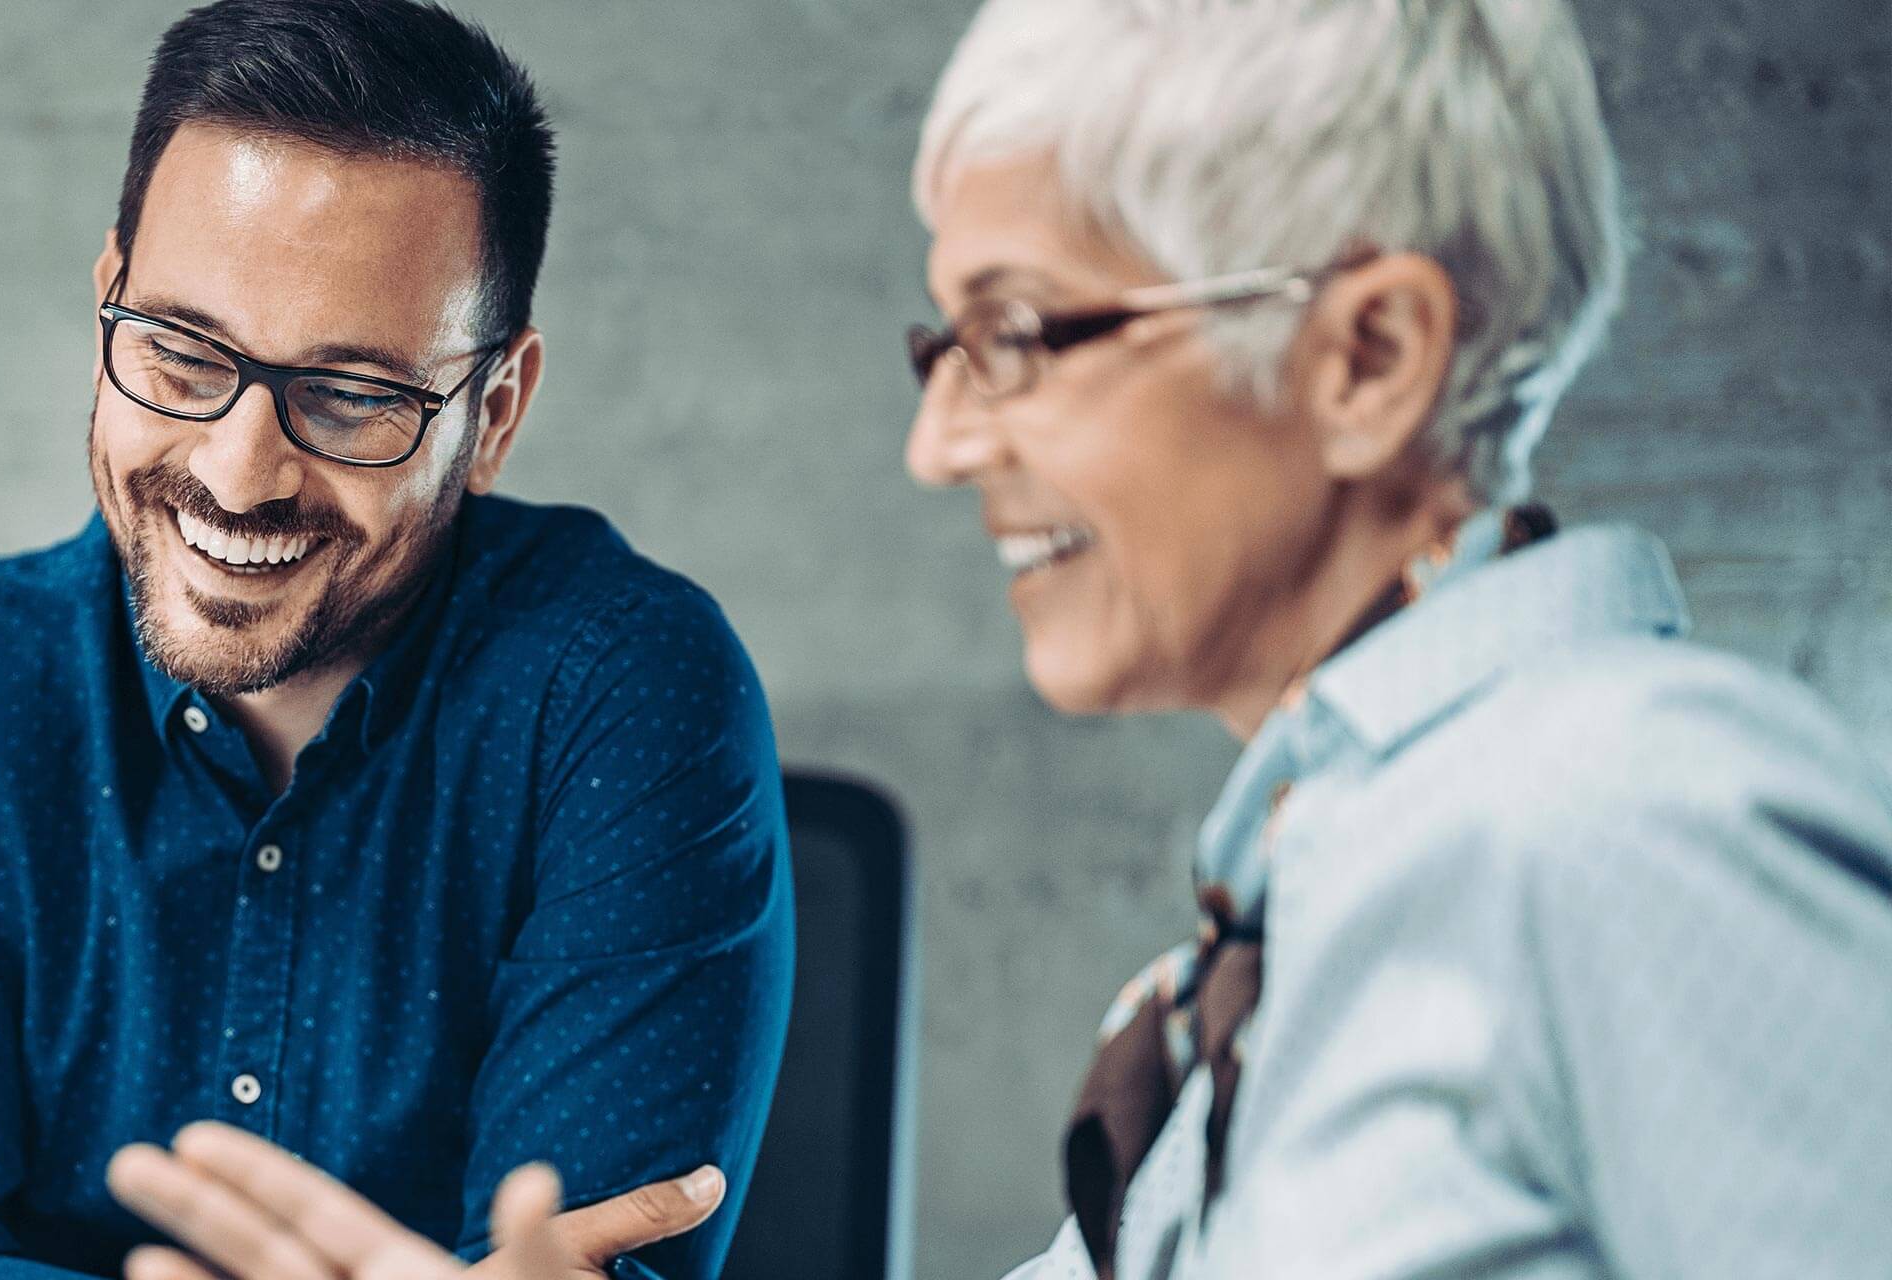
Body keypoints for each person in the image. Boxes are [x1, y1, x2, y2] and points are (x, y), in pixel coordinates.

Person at [103, 1, 1892, 1277]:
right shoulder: (1299, 917)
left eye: (1026, 334)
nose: (942, 440)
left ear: (1368, 360)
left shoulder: (1635, 821)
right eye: (943, 344)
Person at [0, 2, 794, 1277]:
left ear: (496, 410)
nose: (239, 475)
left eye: (352, 395)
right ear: (105, 310)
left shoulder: (629, 694)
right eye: (182, 354)